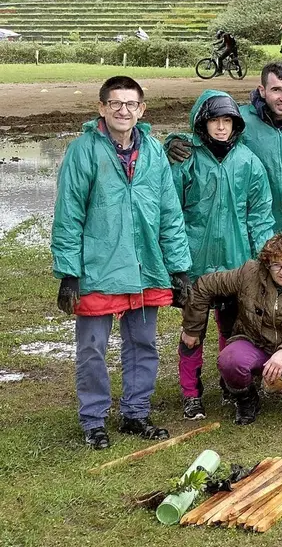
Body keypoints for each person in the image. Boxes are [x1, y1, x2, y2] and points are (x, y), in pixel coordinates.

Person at [51, 76, 192, 449]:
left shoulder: (154, 152)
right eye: (115, 103)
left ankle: (135, 412)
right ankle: (93, 419)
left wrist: (179, 269)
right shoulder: (82, 151)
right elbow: (68, 216)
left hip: (145, 265)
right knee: (92, 347)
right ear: (102, 108)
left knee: (143, 343)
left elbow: (170, 214)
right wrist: (69, 273)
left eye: (131, 104)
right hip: (98, 267)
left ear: (141, 109)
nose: (123, 110)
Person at [166, 63, 282, 275]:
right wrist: (173, 142)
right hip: (264, 229)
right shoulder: (243, 120)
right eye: (276, 89)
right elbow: (207, 135)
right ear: (262, 90)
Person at [170, 90, 275, 421]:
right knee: (192, 331)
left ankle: (232, 383)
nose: (220, 127)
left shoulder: (249, 163)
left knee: (233, 328)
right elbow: (169, 212)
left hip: (236, 263)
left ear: (235, 124)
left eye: (227, 120)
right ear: (202, 123)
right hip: (195, 264)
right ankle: (191, 393)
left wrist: (263, 262)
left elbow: (260, 217)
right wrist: (176, 264)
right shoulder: (185, 160)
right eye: (214, 120)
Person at [184, 234, 282, 425]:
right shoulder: (249, 273)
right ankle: (246, 399)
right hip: (255, 342)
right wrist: (193, 328)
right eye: (276, 265)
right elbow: (204, 285)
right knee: (229, 360)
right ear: (266, 263)